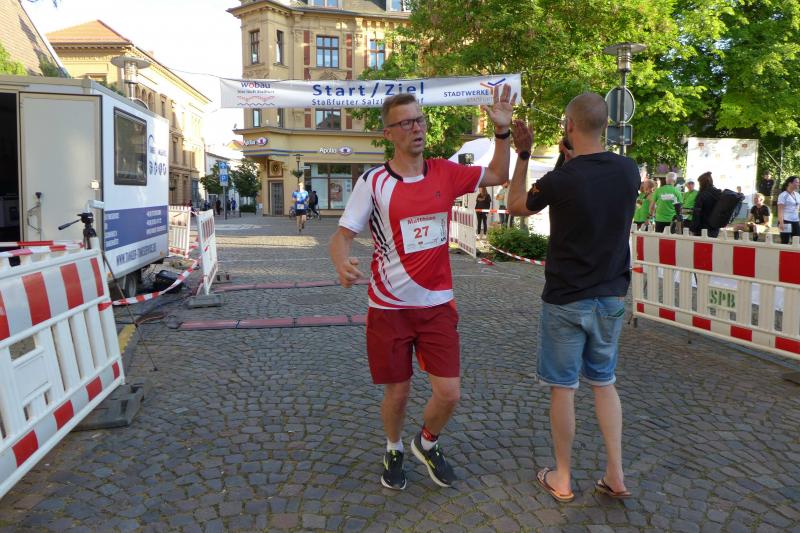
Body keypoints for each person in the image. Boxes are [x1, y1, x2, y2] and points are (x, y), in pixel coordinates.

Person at [329, 85, 515, 490]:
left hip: (437, 304)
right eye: (406, 123)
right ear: (388, 134)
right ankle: (394, 447)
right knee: (397, 394)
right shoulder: (373, 182)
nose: (417, 128)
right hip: (389, 307)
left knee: (449, 393)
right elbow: (342, 236)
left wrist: (502, 133)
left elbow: (499, 174)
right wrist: (342, 261)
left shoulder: (445, 172)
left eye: (420, 120)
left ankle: (426, 442)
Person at [506, 92, 639, 503]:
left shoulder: (561, 180)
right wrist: (568, 161)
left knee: (563, 388)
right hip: (611, 295)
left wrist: (524, 155)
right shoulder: (629, 170)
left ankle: (562, 477)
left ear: (568, 126)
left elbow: (515, 205)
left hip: (566, 298)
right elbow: (592, 189)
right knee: (604, 383)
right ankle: (615, 474)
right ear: (606, 125)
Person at [690, 172, 721, 237]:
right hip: (715, 228)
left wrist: (693, 229)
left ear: (702, 183)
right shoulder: (719, 193)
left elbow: (696, 214)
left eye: (699, 183)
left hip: (702, 229)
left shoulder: (702, 195)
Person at [777, 175, 800, 244]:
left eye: (799, 182)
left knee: (797, 242)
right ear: (790, 183)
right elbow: (780, 210)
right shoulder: (783, 195)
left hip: (795, 221)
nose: (798, 184)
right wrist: (781, 223)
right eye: (797, 182)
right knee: (785, 242)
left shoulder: (797, 194)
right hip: (785, 221)